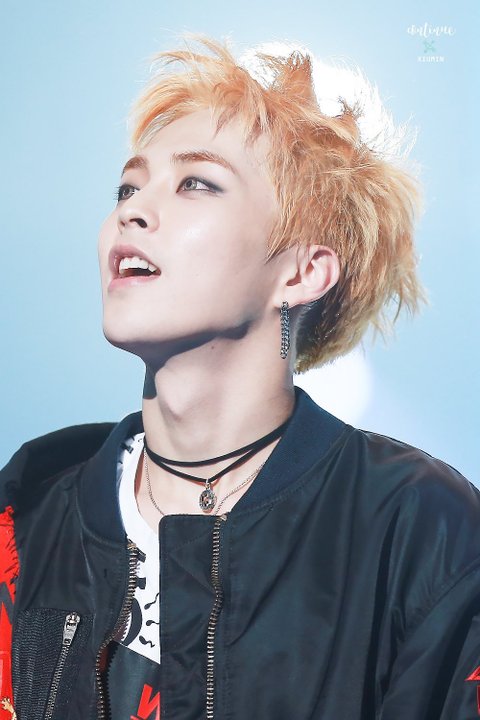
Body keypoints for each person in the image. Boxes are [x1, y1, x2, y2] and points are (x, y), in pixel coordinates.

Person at [1, 35, 480, 720]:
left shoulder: (419, 526)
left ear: (302, 272)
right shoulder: (28, 509)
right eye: (128, 187)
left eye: (196, 183)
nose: (131, 210)